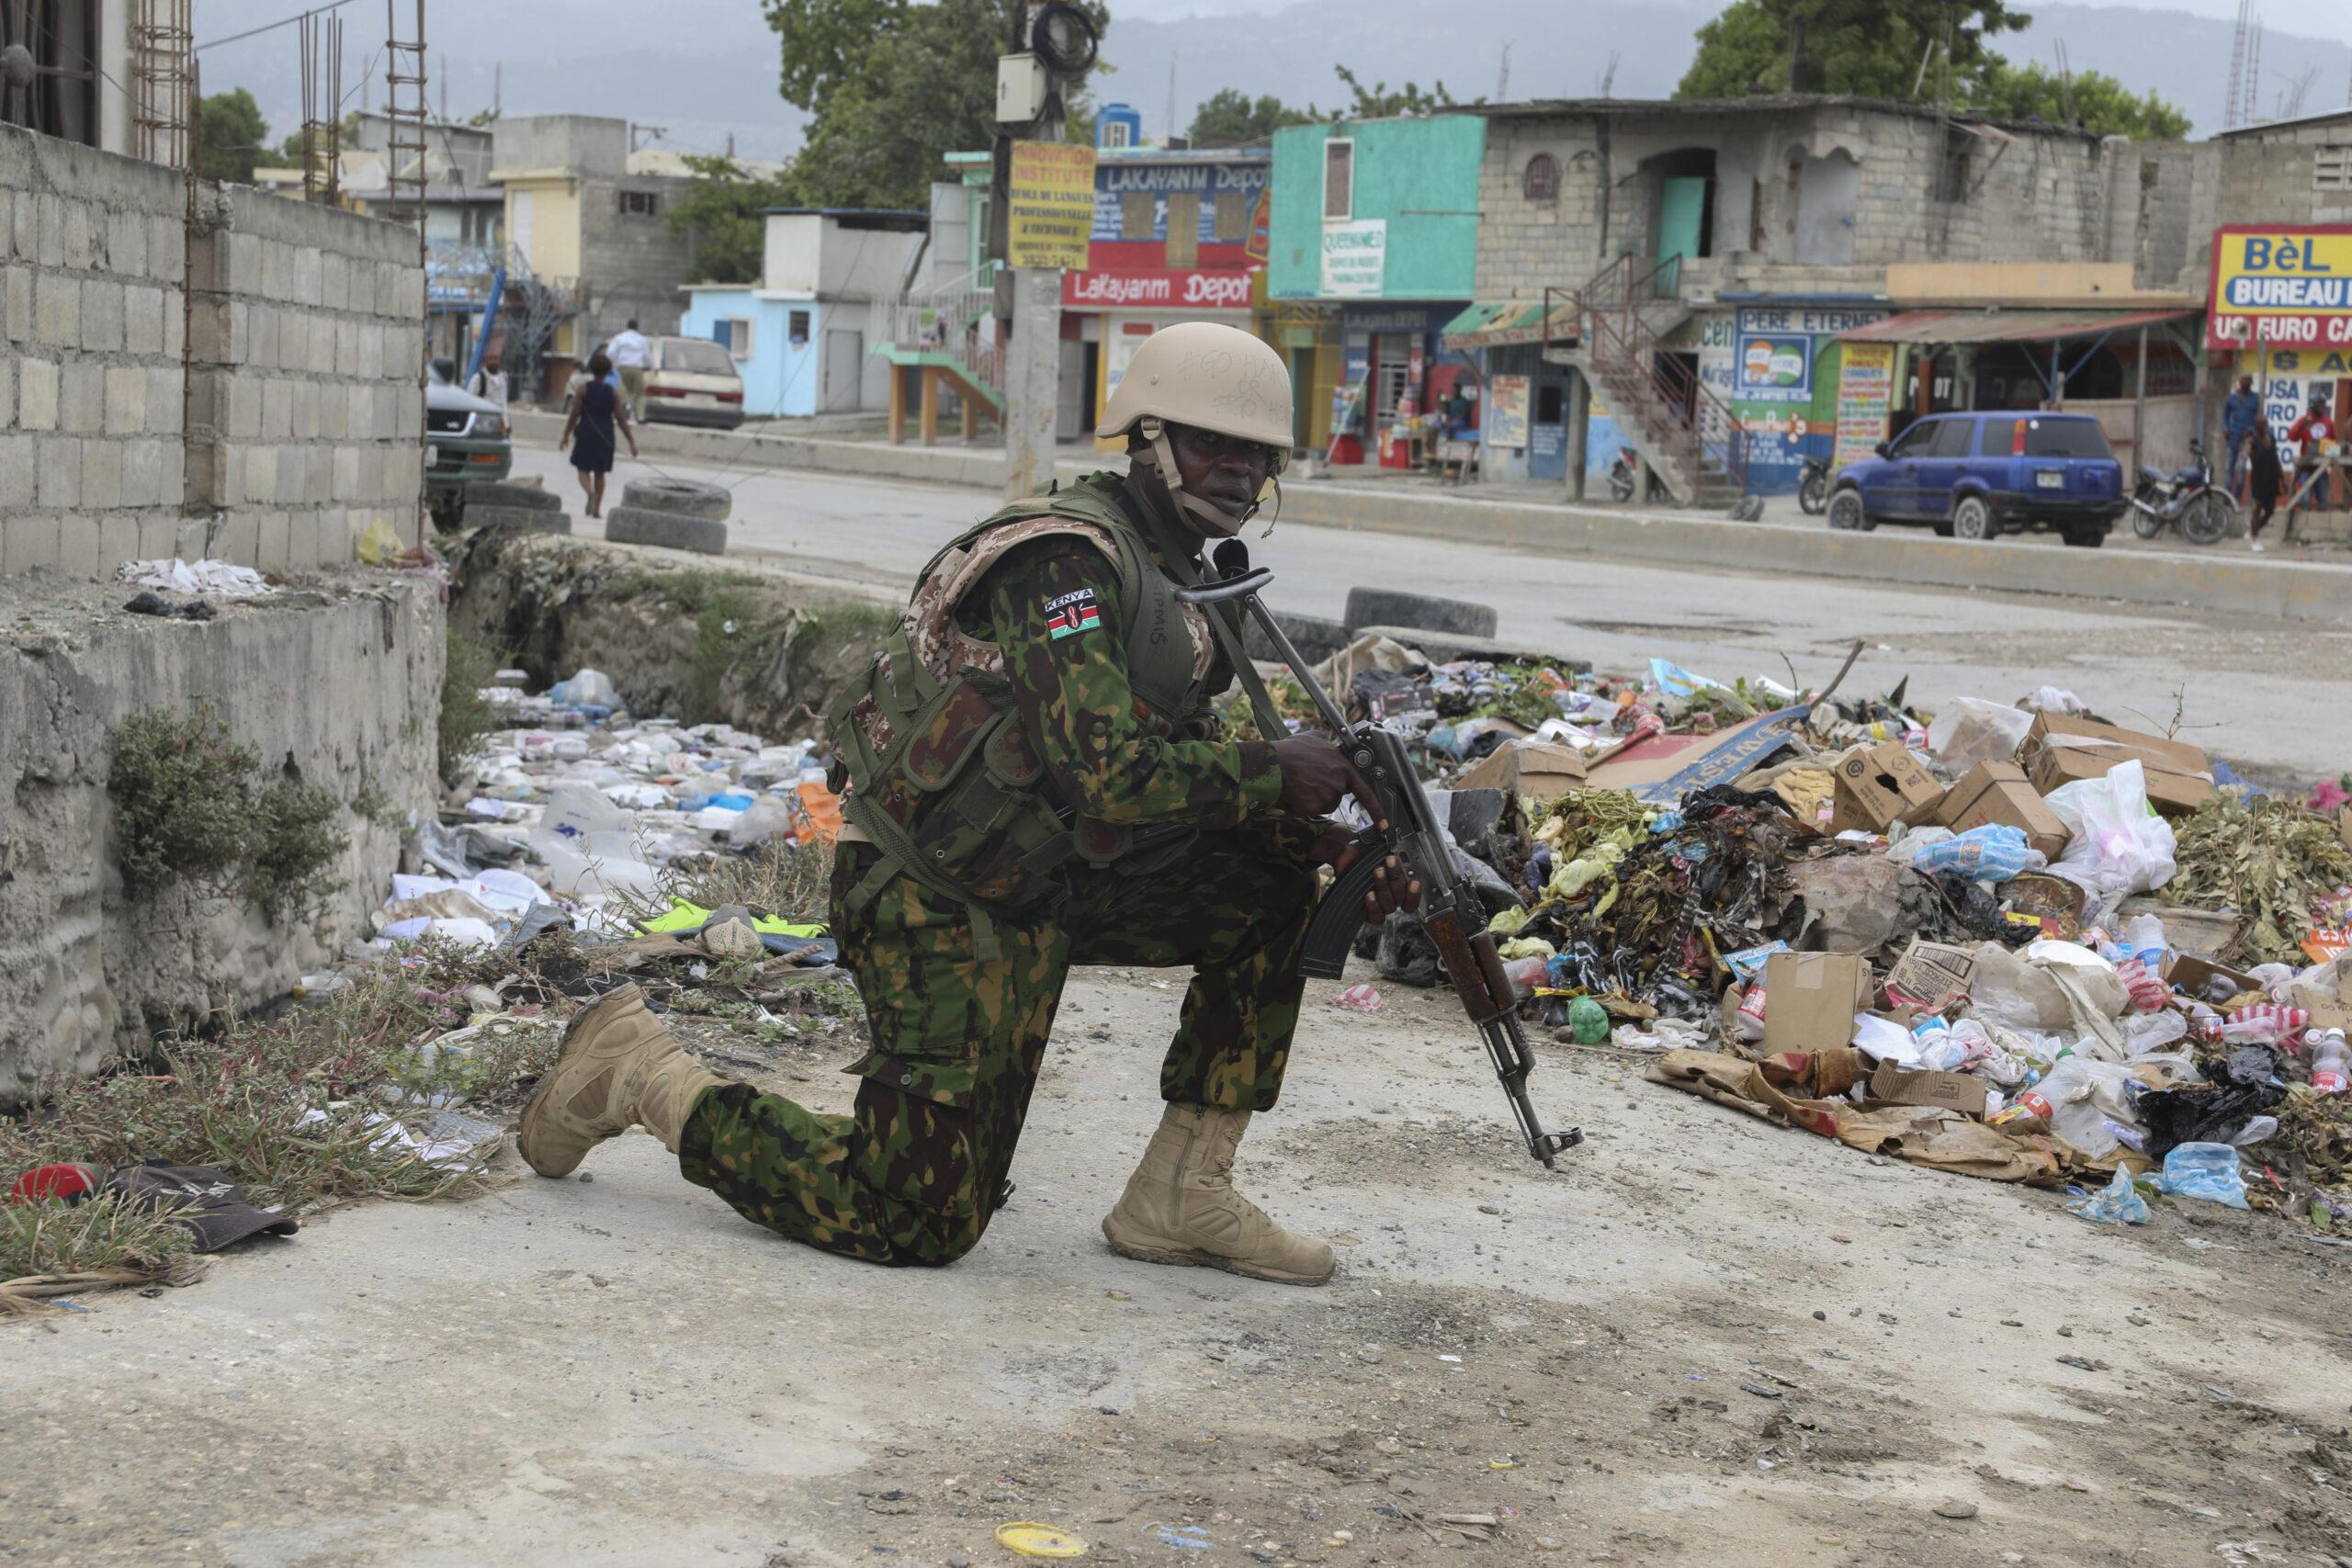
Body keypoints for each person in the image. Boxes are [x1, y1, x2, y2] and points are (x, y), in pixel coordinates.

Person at [519, 321, 1419, 1287]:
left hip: (1047, 871)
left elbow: (1175, 754)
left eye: (1258, 455)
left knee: (1273, 887)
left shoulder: (1187, 579)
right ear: (1147, 441)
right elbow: (1106, 772)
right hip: (933, 892)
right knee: (913, 1217)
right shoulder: (1062, 563)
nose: (1239, 474)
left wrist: (1306, 832)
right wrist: (1273, 773)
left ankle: (1182, 1192)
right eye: (1212, 447)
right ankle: (640, 1073)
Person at [558, 348, 635, 518]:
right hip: (606, 432)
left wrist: (565, 435)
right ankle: (597, 509)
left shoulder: (583, 389)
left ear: (591, 369)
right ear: (608, 372)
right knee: (600, 472)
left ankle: (590, 492)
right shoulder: (612, 392)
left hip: (586, 431)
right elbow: (621, 419)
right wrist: (631, 442)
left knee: (582, 469)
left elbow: (574, 414)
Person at [2288, 394, 2337, 522]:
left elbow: (2333, 441)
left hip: (2322, 468)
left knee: (2323, 501)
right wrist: (2301, 426)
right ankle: (2302, 529)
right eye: (2319, 404)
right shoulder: (2304, 419)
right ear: (2313, 405)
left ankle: (2320, 530)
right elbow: (2292, 437)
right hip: (2306, 468)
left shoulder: (2328, 422)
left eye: (2323, 404)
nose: (2322, 406)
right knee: (2305, 501)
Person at [609, 319, 653, 423]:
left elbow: (610, 352)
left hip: (622, 368)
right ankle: (640, 417)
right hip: (637, 369)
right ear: (637, 327)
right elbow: (648, 355)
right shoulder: (642, 340)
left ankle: (624, 409)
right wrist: (653, 368)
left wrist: (610, 365)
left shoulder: (619, 338)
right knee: (640, 393)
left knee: (624, 391)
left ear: (627, 326)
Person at [2247, 421, 2282, 552]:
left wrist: (2282, 478)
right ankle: (2255, 539)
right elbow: (2246, 450)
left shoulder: (2271, 439)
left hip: (2272, 480)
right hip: (2258, 481)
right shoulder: (2252, 441)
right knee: (2257, 509)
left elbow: (2276, 458)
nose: (2265, 427)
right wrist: (2245, 454)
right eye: (2262, 425)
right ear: (2257, 428)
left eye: (2265, 424)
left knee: (2270, 511)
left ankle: (2252, 530)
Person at [2222, 374, 2260, 491]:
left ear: (2251, 383)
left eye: (2248, 381)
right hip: (2232, 437)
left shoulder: (2256, 398)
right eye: (2243, 380)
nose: (2245, 383)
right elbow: (2225, 415)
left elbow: (2259, 417)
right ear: (2240, 381)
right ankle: (2227, 496)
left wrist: (2251, 430)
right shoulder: (2231, 398)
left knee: (2241, 468)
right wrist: (2226, 428)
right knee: (2229, 467)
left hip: (2246, 439)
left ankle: (2237, 498)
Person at [464, 347, 509, 414]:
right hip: (484, 420)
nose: (494, 362)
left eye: (496, 359)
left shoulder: (504, 377)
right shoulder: (478, 378)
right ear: (485, 361)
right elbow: (469, 400)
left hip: (501, 419)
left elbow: (504, 402)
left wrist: (507, 423)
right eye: (490, 359)